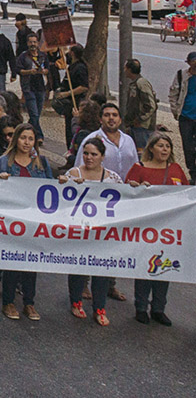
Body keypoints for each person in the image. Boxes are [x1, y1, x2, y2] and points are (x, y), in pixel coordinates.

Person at [125, 132, 188, 326]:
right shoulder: (139, 168)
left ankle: (159, 308)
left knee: (165, 268)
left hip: (169, 230)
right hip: (146, 228)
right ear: (151, 148)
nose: (164, 150)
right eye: (161, 146)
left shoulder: (176, 169)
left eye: (167, 146)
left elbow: (186, 194)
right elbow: (127, 193)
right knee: (145, 266)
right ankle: (141, 307)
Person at [0, 124, 53, 320]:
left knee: (31, 264)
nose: (27, 143)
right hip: (12, 222)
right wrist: (0, 181)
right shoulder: (3, 163)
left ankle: (29, 302)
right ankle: (8, 302)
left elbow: (52, 190)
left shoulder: (41, 163)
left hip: (35, 222)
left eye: (30, 139)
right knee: (12, 262)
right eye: (23, 138)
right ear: (16, 139)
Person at [61, 137, 121, 326]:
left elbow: (124, 202)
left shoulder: (113, 178)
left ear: (102, 156)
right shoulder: (73, 173)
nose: (89, 157)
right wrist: (63, 183)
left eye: (94, 154)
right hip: (79, 230)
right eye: (86, 153)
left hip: (102, 232)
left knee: (101, 268)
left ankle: (100, 307)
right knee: (78, 266)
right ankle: (76, 301)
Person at [75, 102, 137, 182]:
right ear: (100, 120)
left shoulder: (129, 141)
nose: (111, 118)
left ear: (120, 120)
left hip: (127, 190)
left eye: (114, 115)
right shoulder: (91, 140)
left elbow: (135, 166)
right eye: (107, 115)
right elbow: (80, 168)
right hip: (101, 190)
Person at [168, 50, 196, 182]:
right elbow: (173, 93)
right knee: (188, 146)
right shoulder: (182, 75)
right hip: (186, 117)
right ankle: (193, 173)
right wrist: (175, 111)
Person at [122, 59, 158, 150]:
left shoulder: (141, 83)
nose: (124, 71)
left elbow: (150, 105)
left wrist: (140, 119)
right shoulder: (134, 84)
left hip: (143, 127)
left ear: (129, 69)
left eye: (125, 68)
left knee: (142, 152)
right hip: (134, 126)